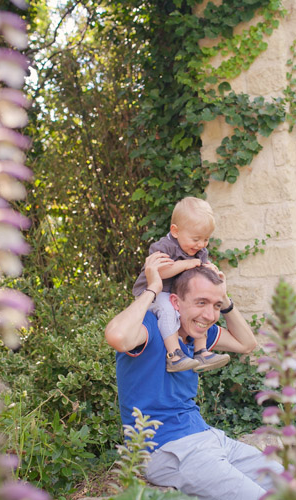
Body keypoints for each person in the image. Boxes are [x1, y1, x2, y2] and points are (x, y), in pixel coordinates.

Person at [106, 252, 284, 500]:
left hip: (210, 438)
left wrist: (225, 299)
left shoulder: (196, 333)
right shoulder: (149, 327)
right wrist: (153, 289)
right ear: (176, 303)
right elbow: (116, 337)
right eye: (201, 303)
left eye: (215, 306)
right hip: (168, 449)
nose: (210, 316)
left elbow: (247, 344)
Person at [132, 197, 230, 373]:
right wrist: (185, 264)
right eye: (196, 239)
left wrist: (210, 271)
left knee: (199, 311)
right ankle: (174, 355)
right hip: (154, 292)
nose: (201, 244)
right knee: (168, 310)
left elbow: (200, 275)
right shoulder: (164, 246)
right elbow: (157, 272)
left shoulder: (199, 251)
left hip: (176, 294)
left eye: (206, 239)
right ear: (175, 231)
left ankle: (201, 351)